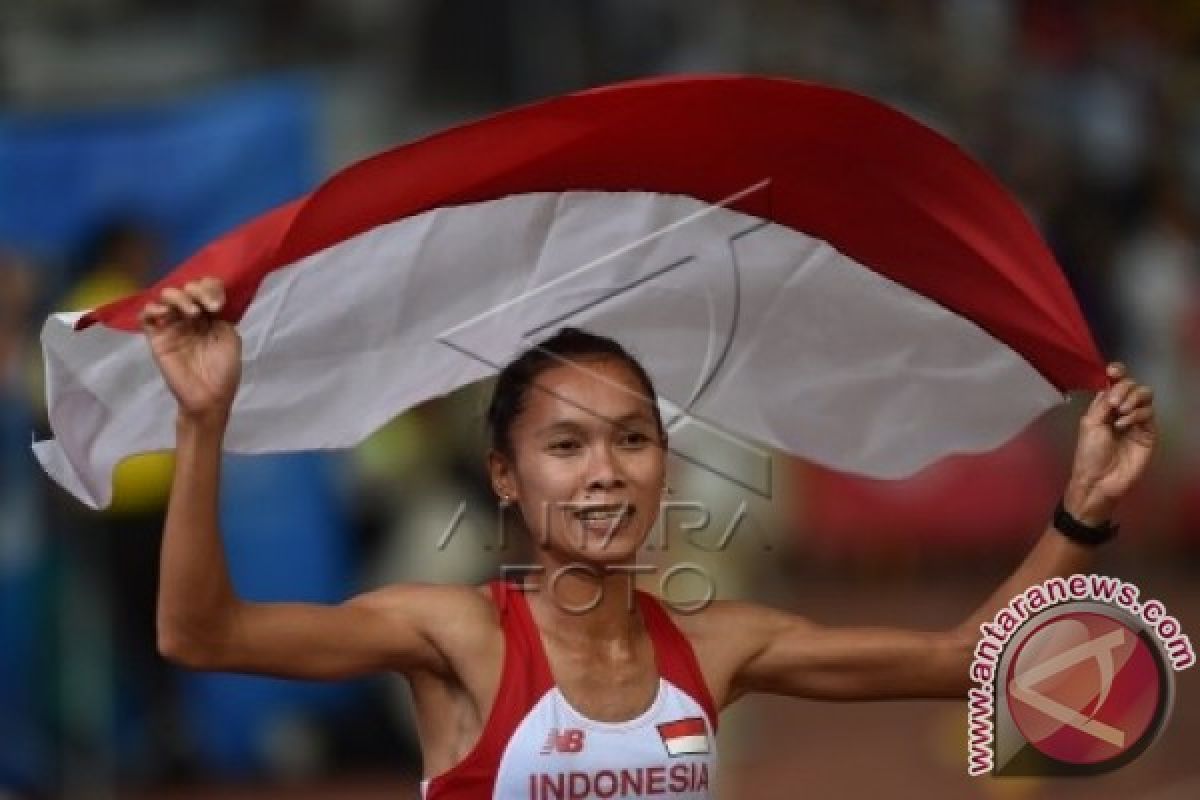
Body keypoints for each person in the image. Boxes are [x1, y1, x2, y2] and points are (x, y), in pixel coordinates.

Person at [141, 277, 1157, 798]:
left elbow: (968, 661)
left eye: (633, 438)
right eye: (566, 444)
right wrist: (201, 422)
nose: (604, 470)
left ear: (664, 462)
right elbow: (203, 634)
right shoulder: (455, 636)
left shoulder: (717, 646)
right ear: (505, 474)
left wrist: (1085, 506)